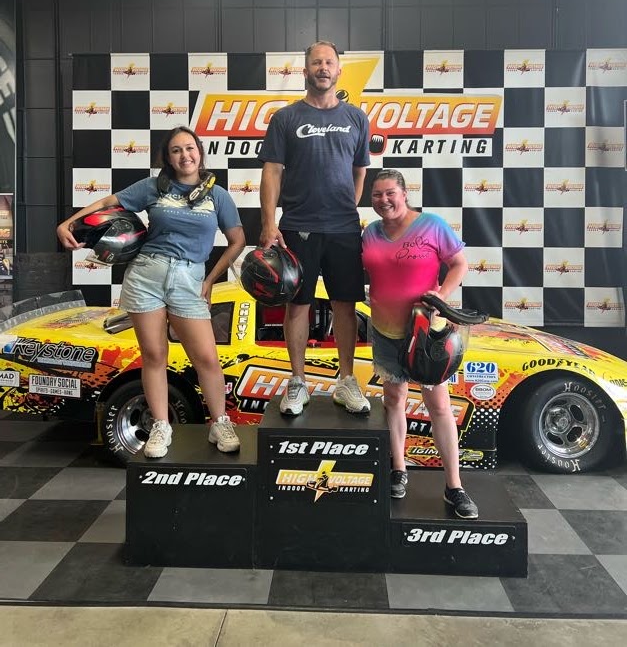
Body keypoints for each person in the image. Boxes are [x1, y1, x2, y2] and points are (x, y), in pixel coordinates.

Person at [57, 125, 245, 459]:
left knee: (206, 359)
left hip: (190, 279)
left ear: (199, 152)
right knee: (154, 355)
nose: (184, 155)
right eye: (176, 150)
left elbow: (237, 241)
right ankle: (161, 425)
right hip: (147, 274)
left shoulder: (218, 195)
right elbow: (109, 201)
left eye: (189, 148)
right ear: (168, 157)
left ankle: (220, 423)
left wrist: (210, 280)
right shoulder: (155, 187)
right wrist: (68, 223)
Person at [258, 40, 371, 416]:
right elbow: (272, 172)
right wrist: (268, 222)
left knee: (345, 304)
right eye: (315, 63)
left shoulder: (356, 118)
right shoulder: (286, 118)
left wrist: (346, 207)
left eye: (329, 62)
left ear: (339, 70)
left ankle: (346, 381)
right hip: (297, 226)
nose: (323, 68)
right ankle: (297, 382)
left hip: (343, 228)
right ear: (305, 71)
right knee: (297, 305)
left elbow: (359, 170)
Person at [362, 169, 478, 519]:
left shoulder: (431, 225)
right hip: (383, 331)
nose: (384, 200)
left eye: (390, 193)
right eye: (377, 195)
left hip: (426, 333)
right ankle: (399, 469)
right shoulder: (369, 232)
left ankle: (454, 486)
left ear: (404, 192)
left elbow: (459, 263)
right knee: (394, 399)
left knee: (439, 406)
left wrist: (441, 295)